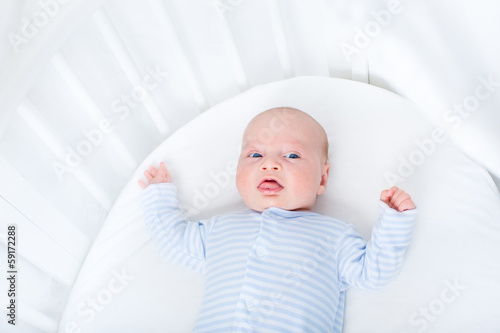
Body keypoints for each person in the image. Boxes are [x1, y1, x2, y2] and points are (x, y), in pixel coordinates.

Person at [138, 107, 417, 332]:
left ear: (322, 178)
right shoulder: (219, 229)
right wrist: (159, 196)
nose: (269, 164)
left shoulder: (334, 236)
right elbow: (173, 243)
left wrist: (394, 223)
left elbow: (373, 274)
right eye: (255, 154)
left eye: (292, 155)